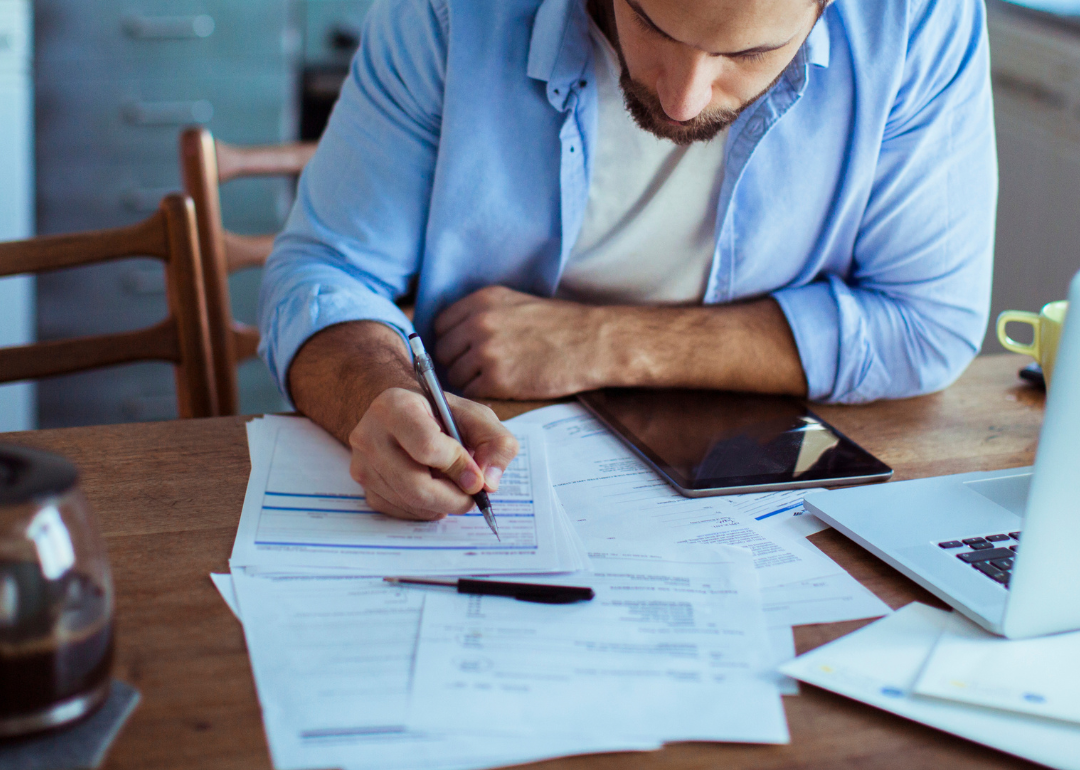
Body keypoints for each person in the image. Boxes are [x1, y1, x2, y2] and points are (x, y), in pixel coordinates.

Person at [258, 0, 997, 522]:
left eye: (747, 54)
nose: (682, 100)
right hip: (489, 463)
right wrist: (374, 398)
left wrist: (601, 342)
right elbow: (324, 273)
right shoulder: (450, 12)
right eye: (651, 22)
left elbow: (927, 323)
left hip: (759, 501)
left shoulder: (918, 21)